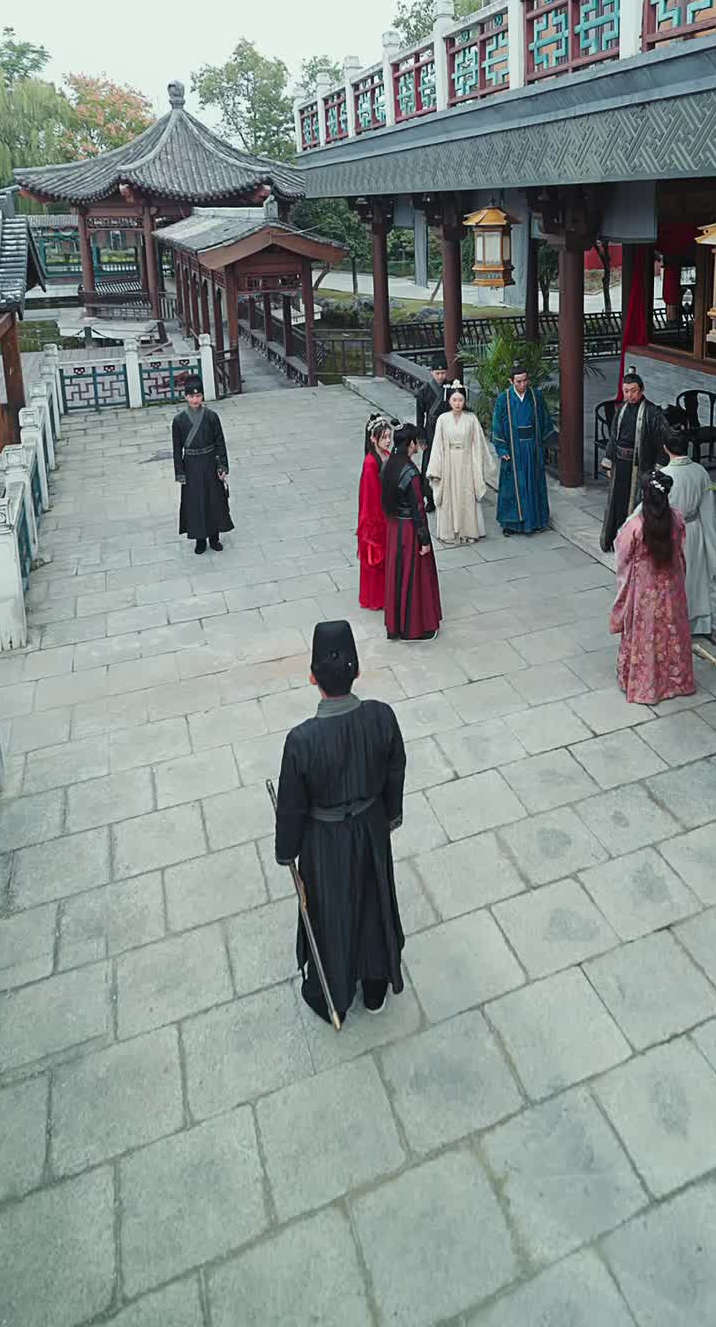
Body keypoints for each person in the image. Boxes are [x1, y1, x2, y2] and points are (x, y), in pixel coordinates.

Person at [273, 619, 407, 1025]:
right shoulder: (382, 717)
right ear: (357, 670)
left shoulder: (302, 741)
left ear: (312, 677)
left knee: (332, 911)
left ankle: (335, 995)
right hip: (370, 828)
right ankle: (375, 986)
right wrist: (390, 815)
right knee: (373, 901)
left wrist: (287, 852)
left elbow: (292, 807)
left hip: (324, 840)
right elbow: (395, 770)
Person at [610, 471, 695, 703]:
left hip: (645, 590)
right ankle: (677, 682)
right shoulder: (677, 519)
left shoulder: (635, 526)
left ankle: (646, 685)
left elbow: (622, 555)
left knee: (647, 634)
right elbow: (680, 549)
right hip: (672, 586)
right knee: (672, 630)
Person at [654, 423, 716, 634]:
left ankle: (673, 625)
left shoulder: (663, 475)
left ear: (665, 448)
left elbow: (653, 512)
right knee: (694, 577)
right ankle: (696, 623)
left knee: (673, 580)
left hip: (671, 533)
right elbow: (708, 510)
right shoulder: (700, 471)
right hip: (694, 530)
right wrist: (710, 537)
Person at [599, 368, 674, 552]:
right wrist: (608, 462)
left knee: (637, 504)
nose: (629, 395)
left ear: (642, 390)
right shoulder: (621, 410)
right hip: (620, 464)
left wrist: (657, 468)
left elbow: (664, 439)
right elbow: (614, 437)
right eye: (626, 391)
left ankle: (635, 544)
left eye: (633, 391)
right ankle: (617, 540)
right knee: (618, 502)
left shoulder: (652, 412)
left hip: (640, 465)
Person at [381, 423, 442, 640]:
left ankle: (395, 625)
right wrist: (424, 539)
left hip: (394, 526)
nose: (417, 445)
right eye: (415, 441)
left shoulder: (388, 465)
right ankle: (413, 628)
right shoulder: (411, 473)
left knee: (397, 575)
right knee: (413, 576)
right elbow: (418, 509)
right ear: (410, 444)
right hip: (408, 529)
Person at [426, 381, 499, 546]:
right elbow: (437, 445)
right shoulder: (443, 419)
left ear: (465, 401)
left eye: (460, 400)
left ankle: (469, 531)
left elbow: (479, 444)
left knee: (467, 494)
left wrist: (481, 466)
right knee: (449, 495)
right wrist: (436, 469)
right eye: (454, 400)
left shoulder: (471, 419)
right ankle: (449, 532)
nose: (458, 403)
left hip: (467, 461)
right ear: (449, 400)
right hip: (448, 461)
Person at [492, 363, 556, 536]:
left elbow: (544, 419)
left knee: (534, 482)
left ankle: (537, 521)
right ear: (511, 381)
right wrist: (502, 449)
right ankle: (510, 524)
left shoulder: (535, 396)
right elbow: (497, 425)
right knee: (512, 486)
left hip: (532, 446)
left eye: (525, 380)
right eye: (518, 382)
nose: (522, 385)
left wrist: (545, 444)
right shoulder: (503, 399)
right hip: (514, 448)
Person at [172, 376, 233, 554]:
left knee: (214, 500)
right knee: (195, 502)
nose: (195, 399)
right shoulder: (179, 420)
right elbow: (177, 449)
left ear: (202, 396)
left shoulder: (211, 416)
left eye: (198, 396)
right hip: (191, 464)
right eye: (191, 396)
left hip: (209, 461)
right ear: (185, 397)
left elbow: (220, 443)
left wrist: (222, 466)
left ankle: (214, 538)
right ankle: (200, 539)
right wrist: (180, 472)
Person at [356, 415, 394, 610]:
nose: (388, 441)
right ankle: (375, 598)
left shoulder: (386, 454)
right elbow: (370, 496)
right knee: (376, 557)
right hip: (376, 514)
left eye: (389, 437)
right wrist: (375, 522)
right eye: (384, 437)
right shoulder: (370, 462)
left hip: (387, 511)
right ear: (373, 439)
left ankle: (387, 594)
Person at [416, 352, 452, 512]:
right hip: (431, 429)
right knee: (429, 463)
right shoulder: (424, 390)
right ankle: (429, 497)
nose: (441, 376)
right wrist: (421, 437)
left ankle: (448, 494)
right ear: (431, 372)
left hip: (448, 428)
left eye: (443, 373)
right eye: (437, 373)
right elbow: (419, 416)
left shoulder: (451, 387)